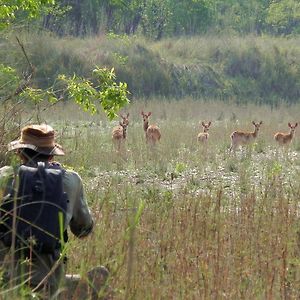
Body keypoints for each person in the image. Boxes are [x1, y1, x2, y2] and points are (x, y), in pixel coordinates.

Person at [0, 124, 106, 298]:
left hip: (6, 280)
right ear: (51, 154)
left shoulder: (4, 176)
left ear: (19, 152)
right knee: (99, 275)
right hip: (50, 282)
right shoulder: (71, 180)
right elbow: (83, 230)